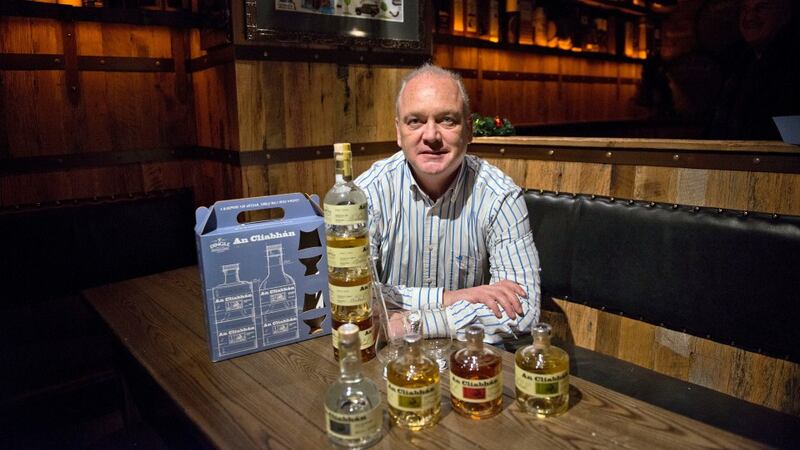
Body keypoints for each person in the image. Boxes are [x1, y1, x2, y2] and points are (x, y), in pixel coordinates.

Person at [354, 64, 541, 344]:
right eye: (415, 121)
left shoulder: (500, 196)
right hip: (388, 359)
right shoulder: (367, 194)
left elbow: (523, 310)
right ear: (398, 131)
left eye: (447, 120)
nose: (431, 136)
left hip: (466, 358)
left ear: (469, 129)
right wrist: (451, 298)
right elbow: (352, 299)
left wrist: (410, 323)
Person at [708, 0, 800, 140]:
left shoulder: (792, 65)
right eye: (745, 9)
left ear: (784, 15)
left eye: (761, 8)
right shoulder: (739, 61)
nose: (749, 17)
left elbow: (793, 137)